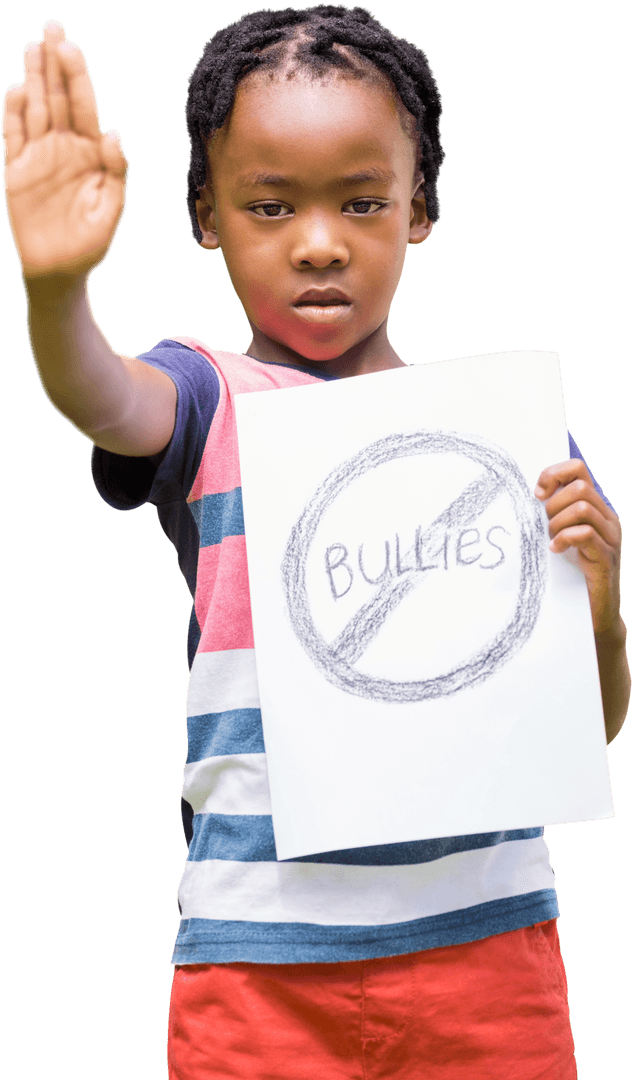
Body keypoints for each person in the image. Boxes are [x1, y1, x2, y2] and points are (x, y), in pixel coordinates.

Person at [3, 6, 629, 1078]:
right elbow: (103, 397)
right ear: (205, 214)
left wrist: (603, 608)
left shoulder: (506, 437)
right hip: (257, 961)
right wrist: (59, 290)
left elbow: (581, 730)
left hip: (486, 955)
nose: (320, 240)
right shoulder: (207, 395)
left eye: (362, 200)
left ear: (419, 205)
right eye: (268, 205)